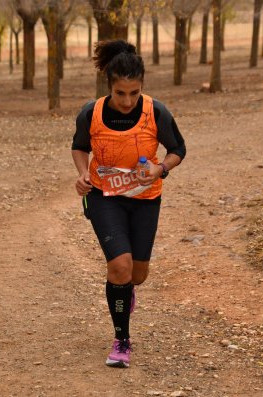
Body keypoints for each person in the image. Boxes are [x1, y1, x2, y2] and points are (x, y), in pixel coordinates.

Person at [71, 39, 186, 368]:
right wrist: (82, 175)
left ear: (141, 87)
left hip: (145, 199)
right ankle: (121, 340)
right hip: (104, 197)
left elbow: (179, 150)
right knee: (119, 267)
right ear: (110, 86)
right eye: (121, 93)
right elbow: (79, 147)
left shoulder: (156, 112)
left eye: (134, 93)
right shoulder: (90, 113)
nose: (127, 100)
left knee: (138, 274)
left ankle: (126, 290)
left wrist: (160, 168)